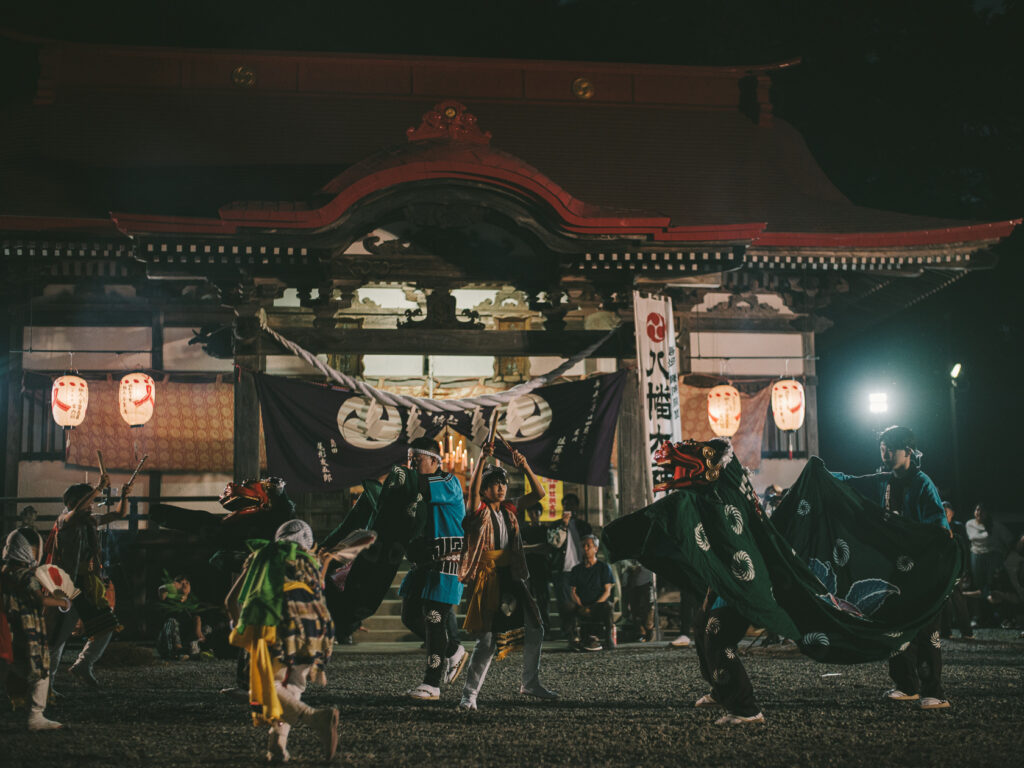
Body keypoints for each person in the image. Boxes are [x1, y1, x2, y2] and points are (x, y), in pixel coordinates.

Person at [832, 424, 952, 710]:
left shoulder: (922, 483)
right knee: (897, 625)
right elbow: (851, 481)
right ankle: (906, 685)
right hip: (896, 567)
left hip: (923, 566)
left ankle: (934, 691)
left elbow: (938, 528)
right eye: (882, 449)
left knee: (926, 629)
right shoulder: (884, 480)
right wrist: (820, 472)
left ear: (907, 451)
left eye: (890, 449)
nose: (884, 454)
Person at [226, 519, 338, 763]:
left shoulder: (261, 556)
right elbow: (318, 590)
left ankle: (316, 718)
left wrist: (240, 626)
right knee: (293, 687)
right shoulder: (310, 561)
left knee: (270, 684)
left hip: (277, 621)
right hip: (314, 626)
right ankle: (277, 744)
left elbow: (231, 600)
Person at [457, 444, 557, 711]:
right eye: (494, 483)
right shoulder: (478, 510)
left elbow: (539, 493)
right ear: (484, 489)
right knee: (488, 640)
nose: (500, 487)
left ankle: (530, 683)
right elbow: (472, 492)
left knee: (535, 628)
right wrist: (481, 459)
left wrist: (524, 466)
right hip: (487, 577)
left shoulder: (509, 508)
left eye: (503, 483)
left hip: (510, 576)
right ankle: (469, 695)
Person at [398, 436, 467, 702]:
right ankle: (453, 651)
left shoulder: (449, 482)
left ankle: (432, 684)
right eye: (410, 461)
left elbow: (421, 486)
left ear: (435, 460)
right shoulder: (419, 488)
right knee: (410, 615)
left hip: (447, 561)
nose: (412, 466)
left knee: (435, 618)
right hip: (425, 563)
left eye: (417, 461)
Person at [48, 472, 130, 692]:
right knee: (58, 638)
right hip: (67, 586)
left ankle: (83, 664)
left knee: (106, 626)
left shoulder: (90, 521)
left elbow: (120, 513)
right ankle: (46, 685)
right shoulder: (64, 520)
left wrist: (124, 496)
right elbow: (75, 514)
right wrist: (98, 488)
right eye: (89, 500)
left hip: (87, 585)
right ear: (74, 503)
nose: (92, 504)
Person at [1, 525, 72, 730]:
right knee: (40, 671)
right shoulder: (27, 576)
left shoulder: (5, 572)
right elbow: (39, 600)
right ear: (27, 550)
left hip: (9, 629)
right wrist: (62, 602)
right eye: (34, 549)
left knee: (13, 666)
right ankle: (36, 715)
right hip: (28, 629)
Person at [565, 535, 615, 651]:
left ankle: (608, 638)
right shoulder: (576, 569)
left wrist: (593, 606)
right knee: (567, 606)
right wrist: (582, 606)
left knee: (608, 606)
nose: (585, 548)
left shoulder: (604, 567)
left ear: (596, 549)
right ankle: (573, 639)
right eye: (583, 546)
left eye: (588, 546)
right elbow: (573, 591)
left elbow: (607, 591)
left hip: (598, 605)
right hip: (582, 605)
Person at [965, 503, 1012, 622]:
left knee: (992, 585)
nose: (979, 513)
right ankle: (980, 615)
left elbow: (1009, 540)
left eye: (982, 510)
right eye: (977, 510)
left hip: (993, 555)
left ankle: (997, 615)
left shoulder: (996, 526)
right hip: (976, 555)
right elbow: (972, 539)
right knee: (979, 585)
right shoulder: (969, 524)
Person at [939, 502, 973, 640]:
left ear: (952, 513)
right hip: (943, 568)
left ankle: (966, 632)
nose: (944, 514)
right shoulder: (937, 526)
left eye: (946, 512)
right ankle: (946, 631)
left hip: (956, 567)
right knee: (944, 601)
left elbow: (964, 548)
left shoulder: (958, 527)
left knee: (958, 599)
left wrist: (965, 569)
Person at [623, 561, 655, 642]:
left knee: (648, 608)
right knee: (634, 608)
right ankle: (640, 631)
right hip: (631, 582)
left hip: (646, 582)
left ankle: (648, 630)